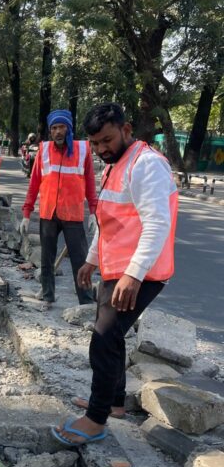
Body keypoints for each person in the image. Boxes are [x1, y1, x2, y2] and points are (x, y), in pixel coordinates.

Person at [53, 102, 178, 447]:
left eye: (107, 140)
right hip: (118, 269)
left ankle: (96, 419)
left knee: (104, 339)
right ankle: (115, 402)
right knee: (112, 337)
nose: (101, 149)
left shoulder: (146, 165)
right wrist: (91, 260)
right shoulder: (114, 165)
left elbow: (156, 224)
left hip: (142, 272)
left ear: (125, 130)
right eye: (95, 144)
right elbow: (108, 223)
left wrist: (134, 276)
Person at [21, 109, 97, 305]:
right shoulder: (44, 150)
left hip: (73, 214)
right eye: (54, 128)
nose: (58, 131)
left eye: (62, 127)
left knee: (80, 260)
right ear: (50, 131)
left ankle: (86, 302)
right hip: (48, 213)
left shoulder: (83, 150)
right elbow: (34, 184)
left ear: (69, 128)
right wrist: (27, 213)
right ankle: (48, 296)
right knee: (47, 259)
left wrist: (94, 213)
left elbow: (90, 183)